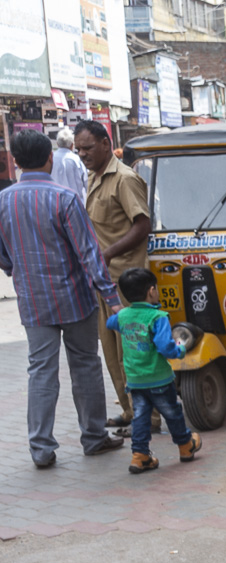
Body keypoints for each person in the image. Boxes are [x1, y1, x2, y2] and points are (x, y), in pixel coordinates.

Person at [0, 130, 124, 467]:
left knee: (40, 370)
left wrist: (15, 267)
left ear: (16, 162)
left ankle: (40, 449)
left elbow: (4, 255)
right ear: (50, 158)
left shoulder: (4, 201)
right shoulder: (65, 199)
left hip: (33, 300)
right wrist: (111, 297)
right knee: (85, 364)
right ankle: (94, 437)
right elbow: (89, 256)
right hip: (75, 298)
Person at [74, 119, 152, 431]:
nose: (82, 154)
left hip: (126, 282)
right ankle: (131, 410)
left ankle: (149, 416)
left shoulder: (124, 179)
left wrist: (107, 253)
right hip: (103, 281)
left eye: (88, 148)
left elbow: (142, 226)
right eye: (78, 149)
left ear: (106, 143)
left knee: (131, 353)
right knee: (110, 352)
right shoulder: (94, 177)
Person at [104, 268, 202, 474]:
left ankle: (140, 456)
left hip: (136, 380)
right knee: (172, 413)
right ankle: (185, 446)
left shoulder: (123, 316)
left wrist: (127, 320)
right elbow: (165, 347)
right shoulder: (158, 317)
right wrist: (181, 350)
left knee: (140, 417)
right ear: (151, 292)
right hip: (159, 379)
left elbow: (110, 322)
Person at [51, 128, 87, 204]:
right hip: (76, 205)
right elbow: (87, 182)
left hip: (55, 204)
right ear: (72, 145)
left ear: (57, 144)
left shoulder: (50, 159)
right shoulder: (77, 160)